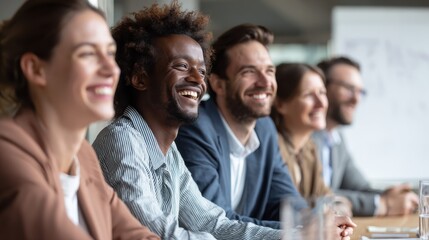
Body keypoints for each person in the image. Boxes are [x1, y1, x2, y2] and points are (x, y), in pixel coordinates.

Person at [92, 2, 281, 239]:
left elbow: (213, 223)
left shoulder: (169, 153)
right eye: (182, 66)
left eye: (201, 71)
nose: (197, 79)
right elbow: (157, 234)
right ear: (140, 78)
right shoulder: (121, 140)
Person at [175, 24, 355, 239]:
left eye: (270, 71)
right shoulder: (196, 129)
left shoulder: (265, 128)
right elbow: (215, 224)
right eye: (249, 72)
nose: (265, 82)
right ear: (218, 85)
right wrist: (302, 232)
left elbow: (286, 202)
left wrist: (318, 223)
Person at [0, 0, 159, 239]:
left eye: (110, 53)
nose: (111, 69)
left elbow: (136, 234)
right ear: (35, 69)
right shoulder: (6, 151)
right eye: (87, 53)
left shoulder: (83, 156)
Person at [312, 56, 419, 216]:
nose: (356, 99)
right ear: (323, 87)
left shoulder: (336, 138)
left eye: (360, 91)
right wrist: (380, 204)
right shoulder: (303, 136)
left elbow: (360, 187)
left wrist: (390, 196)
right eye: (348, 88)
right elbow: (314, 194)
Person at [270, 63, 353, 217]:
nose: (321, 103)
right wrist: (327, 211)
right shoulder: (273, 147)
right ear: (280, 104)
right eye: (308, 95)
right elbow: (290, 212)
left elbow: (332, 200)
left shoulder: (309, 148)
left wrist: (333, 208)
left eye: (322, 93)